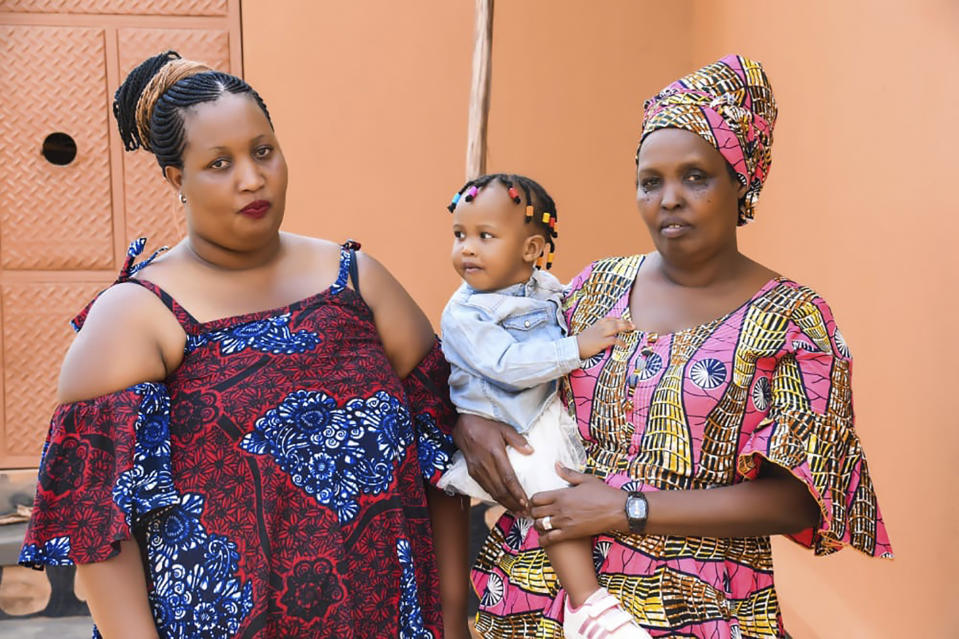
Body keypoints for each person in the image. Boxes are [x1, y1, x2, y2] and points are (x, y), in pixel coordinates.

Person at [17, 51, 469, 639]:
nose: (251, 179)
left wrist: (453, 614)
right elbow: (98, 528)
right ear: (176, 179)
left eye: (263, 151)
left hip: (388, 621)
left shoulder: (357, 281)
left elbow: (442, 446)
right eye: (219, 163)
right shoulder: (137, 315)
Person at [457, 54, 893, 638]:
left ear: (742, 181)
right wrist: (472, 422)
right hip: (539, 593)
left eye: (695, 176)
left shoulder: (793, 318)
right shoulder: (591, 290)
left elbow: (803, 500)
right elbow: (490, 361)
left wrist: (628, 508)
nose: (668, 199)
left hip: (700, 604)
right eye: (650, 181)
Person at [437, 173, 648, 638]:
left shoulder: (544, 287)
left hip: (541, 417)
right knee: (555, 493)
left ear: (531, 250)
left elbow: (562, 312)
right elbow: (508, 364)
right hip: (507, 432)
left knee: (578, 489)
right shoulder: (466, 312)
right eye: (459, 235)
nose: (467, 248)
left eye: (484, 236)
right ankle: (587, 605)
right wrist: (579, 347)